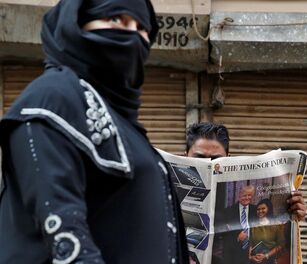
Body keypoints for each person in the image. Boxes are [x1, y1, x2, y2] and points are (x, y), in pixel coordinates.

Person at [0, 0, 188, 263]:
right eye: (116, 20)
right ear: (75, 25)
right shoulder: (51, 100)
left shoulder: (126, 125)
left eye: (142, 27)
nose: (133, 35)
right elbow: (64, 232)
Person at [184, 122, 306, 221]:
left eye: (217, 160)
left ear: (228, 158)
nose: (208, 165)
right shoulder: (167, 192)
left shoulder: (254, 210)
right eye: (199, 158)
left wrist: (291, 214)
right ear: (185, 157)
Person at [213, 185, 259, 264]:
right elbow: (222, 231)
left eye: (249, 195)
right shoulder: (228, 211)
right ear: (239, 195)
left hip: (251, 248)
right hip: (232, 250)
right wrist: (237, 236)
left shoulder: (256, 210)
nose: (247, 198)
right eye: (244, 195)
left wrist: (252, 244)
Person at [249, 199, 287, 264]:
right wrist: (250, 257)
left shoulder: (276, 225)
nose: (260, 211)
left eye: (263, 208)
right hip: (254, 259)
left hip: (269, 258)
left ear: (269, 209)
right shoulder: (252, 225)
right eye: (258, 209)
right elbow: (250, 244)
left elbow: (280, 245)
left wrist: (266, 256)